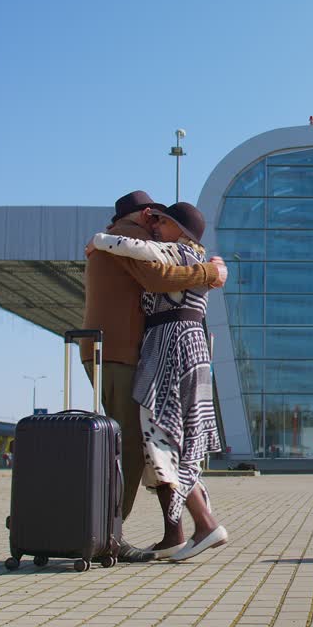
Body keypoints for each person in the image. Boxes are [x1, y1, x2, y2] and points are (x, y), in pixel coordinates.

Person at [82, 190, 227, 562]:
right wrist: (212, 271)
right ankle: (167, 530)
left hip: (162, 348)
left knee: (154, 439)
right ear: (146, 214)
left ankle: (119, 531)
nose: (156, 226)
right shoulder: (132, 242)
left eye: (164, 221)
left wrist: (101, 240)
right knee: (149, 441)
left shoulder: (141, 244)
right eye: (155, 218)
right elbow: (159, 276)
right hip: (128, 351)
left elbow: (160, 274)